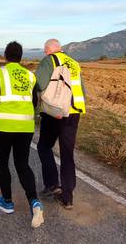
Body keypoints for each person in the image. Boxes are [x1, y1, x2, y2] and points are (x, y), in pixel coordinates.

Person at [0, 41, 44, 228]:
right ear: (20, 56)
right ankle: (34, 202)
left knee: (2, 163)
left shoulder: (0, 73)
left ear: (5, 55)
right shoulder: (30, 75)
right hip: (25, 127)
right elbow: (34, 102)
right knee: (22, 164)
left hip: (2, 126)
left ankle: (7, 201)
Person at [35, 38, 87, 210]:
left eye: (45, 50)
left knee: (44, 146)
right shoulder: (74, 63)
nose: (44, 53)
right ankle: (67, 197)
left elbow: (40, 84)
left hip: (55, 112)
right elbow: (82, 90)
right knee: (67, 153)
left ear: (49, 49)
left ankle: (52, 185)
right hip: (74, 112)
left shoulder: (49, 60)